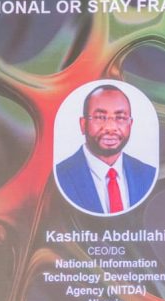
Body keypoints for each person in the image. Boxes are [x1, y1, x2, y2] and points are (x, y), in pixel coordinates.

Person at [55, 84, 156, 214]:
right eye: (100, 117)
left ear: (130, 124)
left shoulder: (149, 175)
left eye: (120, 117)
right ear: (83, 124)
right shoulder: (59, 177)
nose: (110, 127)